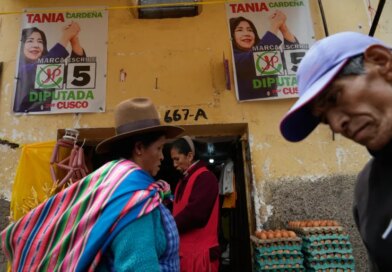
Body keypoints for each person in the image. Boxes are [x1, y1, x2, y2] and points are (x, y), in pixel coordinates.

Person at [1, 97, 184, 271]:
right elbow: (138, 266)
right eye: (159, 148)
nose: (162, 157)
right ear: (139, 148)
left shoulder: (111, 185)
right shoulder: (134, 200)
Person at [279, 32, 392, 271]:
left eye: (334, 97)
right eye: (323, 119)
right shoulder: (366, 192)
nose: (336, 124)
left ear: (381, 61)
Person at [170, 136, 220, 272]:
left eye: (177, 159)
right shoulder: (182, 181)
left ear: (190, 156)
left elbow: (196, 214)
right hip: (184, 255)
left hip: (200, 258)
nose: (174, 164)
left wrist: (167, 226)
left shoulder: (205, 178)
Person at [13, 22, 85, 113]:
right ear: (21, 45)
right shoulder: (19, 68)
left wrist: (74, 40)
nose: (36, 45)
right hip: (23, 122)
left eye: (40, 41)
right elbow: (40, 67)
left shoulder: (49, 68)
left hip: (44, 120)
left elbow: (76, 71)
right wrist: (66, 36)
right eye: (30, 41)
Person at [229, 11, 298, 100]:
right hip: (249, 110)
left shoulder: (266, 53)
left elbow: (292, 56)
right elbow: (255, 58)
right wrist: (275, 25)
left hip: (273, 107)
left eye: (250, 30)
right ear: (232, 36)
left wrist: (283, 27)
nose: (246, 33)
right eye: (239, 30)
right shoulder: (234, 58)